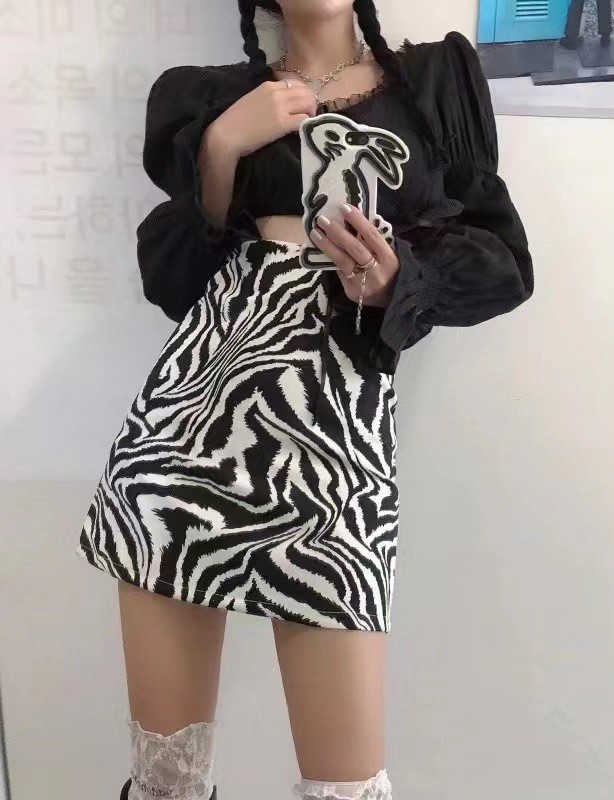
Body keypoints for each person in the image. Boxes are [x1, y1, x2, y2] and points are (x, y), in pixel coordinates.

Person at [75, 1, 534, 798]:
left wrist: (398, 280)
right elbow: (173, 281)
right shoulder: (210, 98)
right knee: (165, 784)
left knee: (347, 786)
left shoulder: (433, 80)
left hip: (334, 446)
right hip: (186, 433)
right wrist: (222, 149)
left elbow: (504, 263)